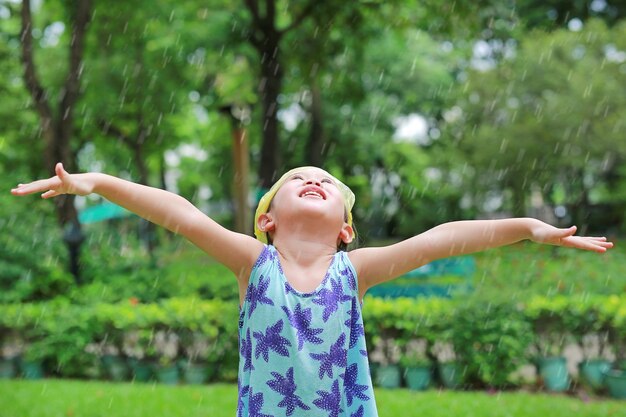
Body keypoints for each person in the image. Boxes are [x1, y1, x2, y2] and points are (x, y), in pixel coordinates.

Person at [11, 163, 613, 417]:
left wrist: (527, 229)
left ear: (347, 229)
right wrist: (97, 183)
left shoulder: (357, 272)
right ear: (267, 219)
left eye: (326, 182)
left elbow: (443, 238)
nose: (314, 180)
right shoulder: (253, 263)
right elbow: (178, 213)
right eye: (298, 180)